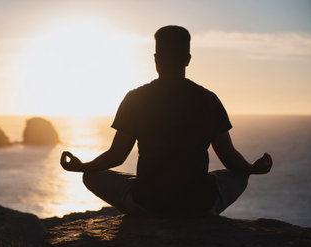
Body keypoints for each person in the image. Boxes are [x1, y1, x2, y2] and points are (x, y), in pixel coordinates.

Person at [60, 25, 272, 217]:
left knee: (90, 176)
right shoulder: (208, 99)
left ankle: (142, 213)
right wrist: (253, 169)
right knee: (239, 176)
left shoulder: (136, 98)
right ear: (187, 59)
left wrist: (82, 166)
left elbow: (116, 156)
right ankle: (198, 213)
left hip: (148, 203)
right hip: (199, 204)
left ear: (156, 58)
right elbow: (229, 157)